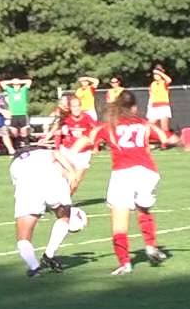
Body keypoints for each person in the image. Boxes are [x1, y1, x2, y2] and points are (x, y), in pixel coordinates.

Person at [72, 91, 177, 275]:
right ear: (134, 108)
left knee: (119, 222)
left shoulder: (108, 125)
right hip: (147, 172)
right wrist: (185, 141)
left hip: (123, 173)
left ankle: (125, 263)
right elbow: (167, 138)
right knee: (143, 209)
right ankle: (150, 246)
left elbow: (84, 141)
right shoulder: (144, 124)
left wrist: (65, 158)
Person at [9, 144, 79, 276]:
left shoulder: (14, 164)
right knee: (64, 217)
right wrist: (72, 172)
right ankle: (49, 255)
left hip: (26, 184)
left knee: (23, 237)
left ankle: (34, 268)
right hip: (51, 178)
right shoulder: (44, 152)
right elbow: (57, 154)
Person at [53, 94, 98, 193]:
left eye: (78, 106)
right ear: (70, 108)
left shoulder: (87, 117)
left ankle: (66, 198)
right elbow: (57, 133)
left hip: (83, 153)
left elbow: (96, 130)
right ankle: (61, 199)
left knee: (75, 182)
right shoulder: (66, 118)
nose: (76, 109)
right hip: (68, 150)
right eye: (74, 106)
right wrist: (56, 146)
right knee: (64, 176)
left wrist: (95, 146)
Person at [2, 77, 33, 146]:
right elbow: (2, 83)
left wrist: (19, 81)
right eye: (15, 85)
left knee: (24, 131)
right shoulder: (10, 90)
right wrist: (12, 81)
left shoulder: (23, 90)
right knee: (13, 131)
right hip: (13, 114)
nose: (17, 86)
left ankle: (26, 144)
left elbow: (29, 81)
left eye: (18, 85)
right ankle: (16, 144)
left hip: (22, 113)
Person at [146, 65, 173, 135]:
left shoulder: (164, 82)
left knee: (164, 126)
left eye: (157, 74)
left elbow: (169, 80)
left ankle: (166, 140)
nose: (155, 76)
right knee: (149, 124)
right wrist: (149, 107)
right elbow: (151, 96)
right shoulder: (152, 84)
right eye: (154, 74)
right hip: (154, 107)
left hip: (163, 107)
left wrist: (159, 72)